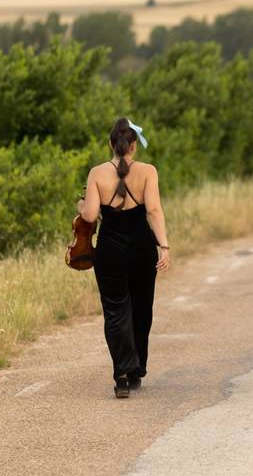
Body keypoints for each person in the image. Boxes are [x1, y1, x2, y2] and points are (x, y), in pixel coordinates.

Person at [79, 118, 170, 398]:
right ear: (133, 146)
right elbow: (153, 210)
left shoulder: (96, 173)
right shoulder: (148, 171)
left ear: (111, 144)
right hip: (141, 246)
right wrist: (164, 247)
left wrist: (81, 204)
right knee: (142, 308)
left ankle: (121, 372)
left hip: (110, 248)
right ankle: (136, 369)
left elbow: (91, 216)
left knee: (115, 310)